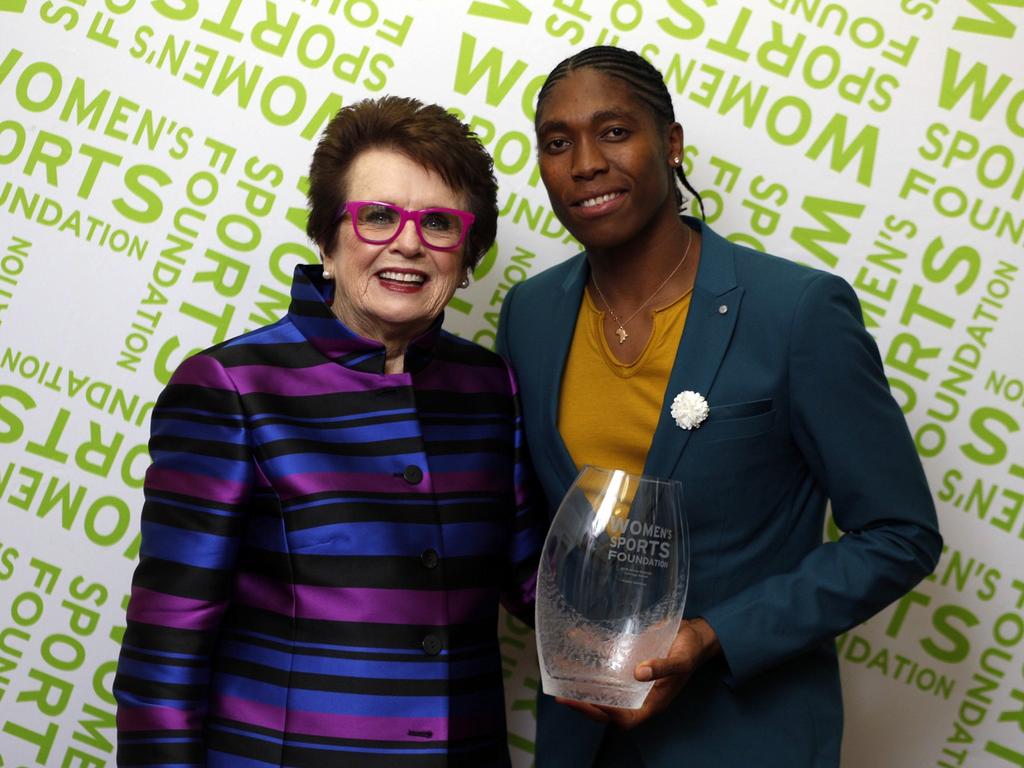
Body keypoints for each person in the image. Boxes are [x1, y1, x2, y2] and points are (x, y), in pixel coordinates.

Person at [497, 46, 942, 767]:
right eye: (557, 142)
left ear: (671, 145)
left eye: (614, 131)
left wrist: (711, 636)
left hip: (744, 736)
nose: (583, 163)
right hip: (579, 737)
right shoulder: (531, 314)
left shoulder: (797, 312)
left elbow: (899, 534)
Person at [113, 96, 542, 768]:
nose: (407, 242)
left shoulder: (490, 386)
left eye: (438, 222)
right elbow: (165, 654)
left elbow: (533, 585)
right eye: (377, 216)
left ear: (468, 256)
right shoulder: (230, 386)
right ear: (327, 238)